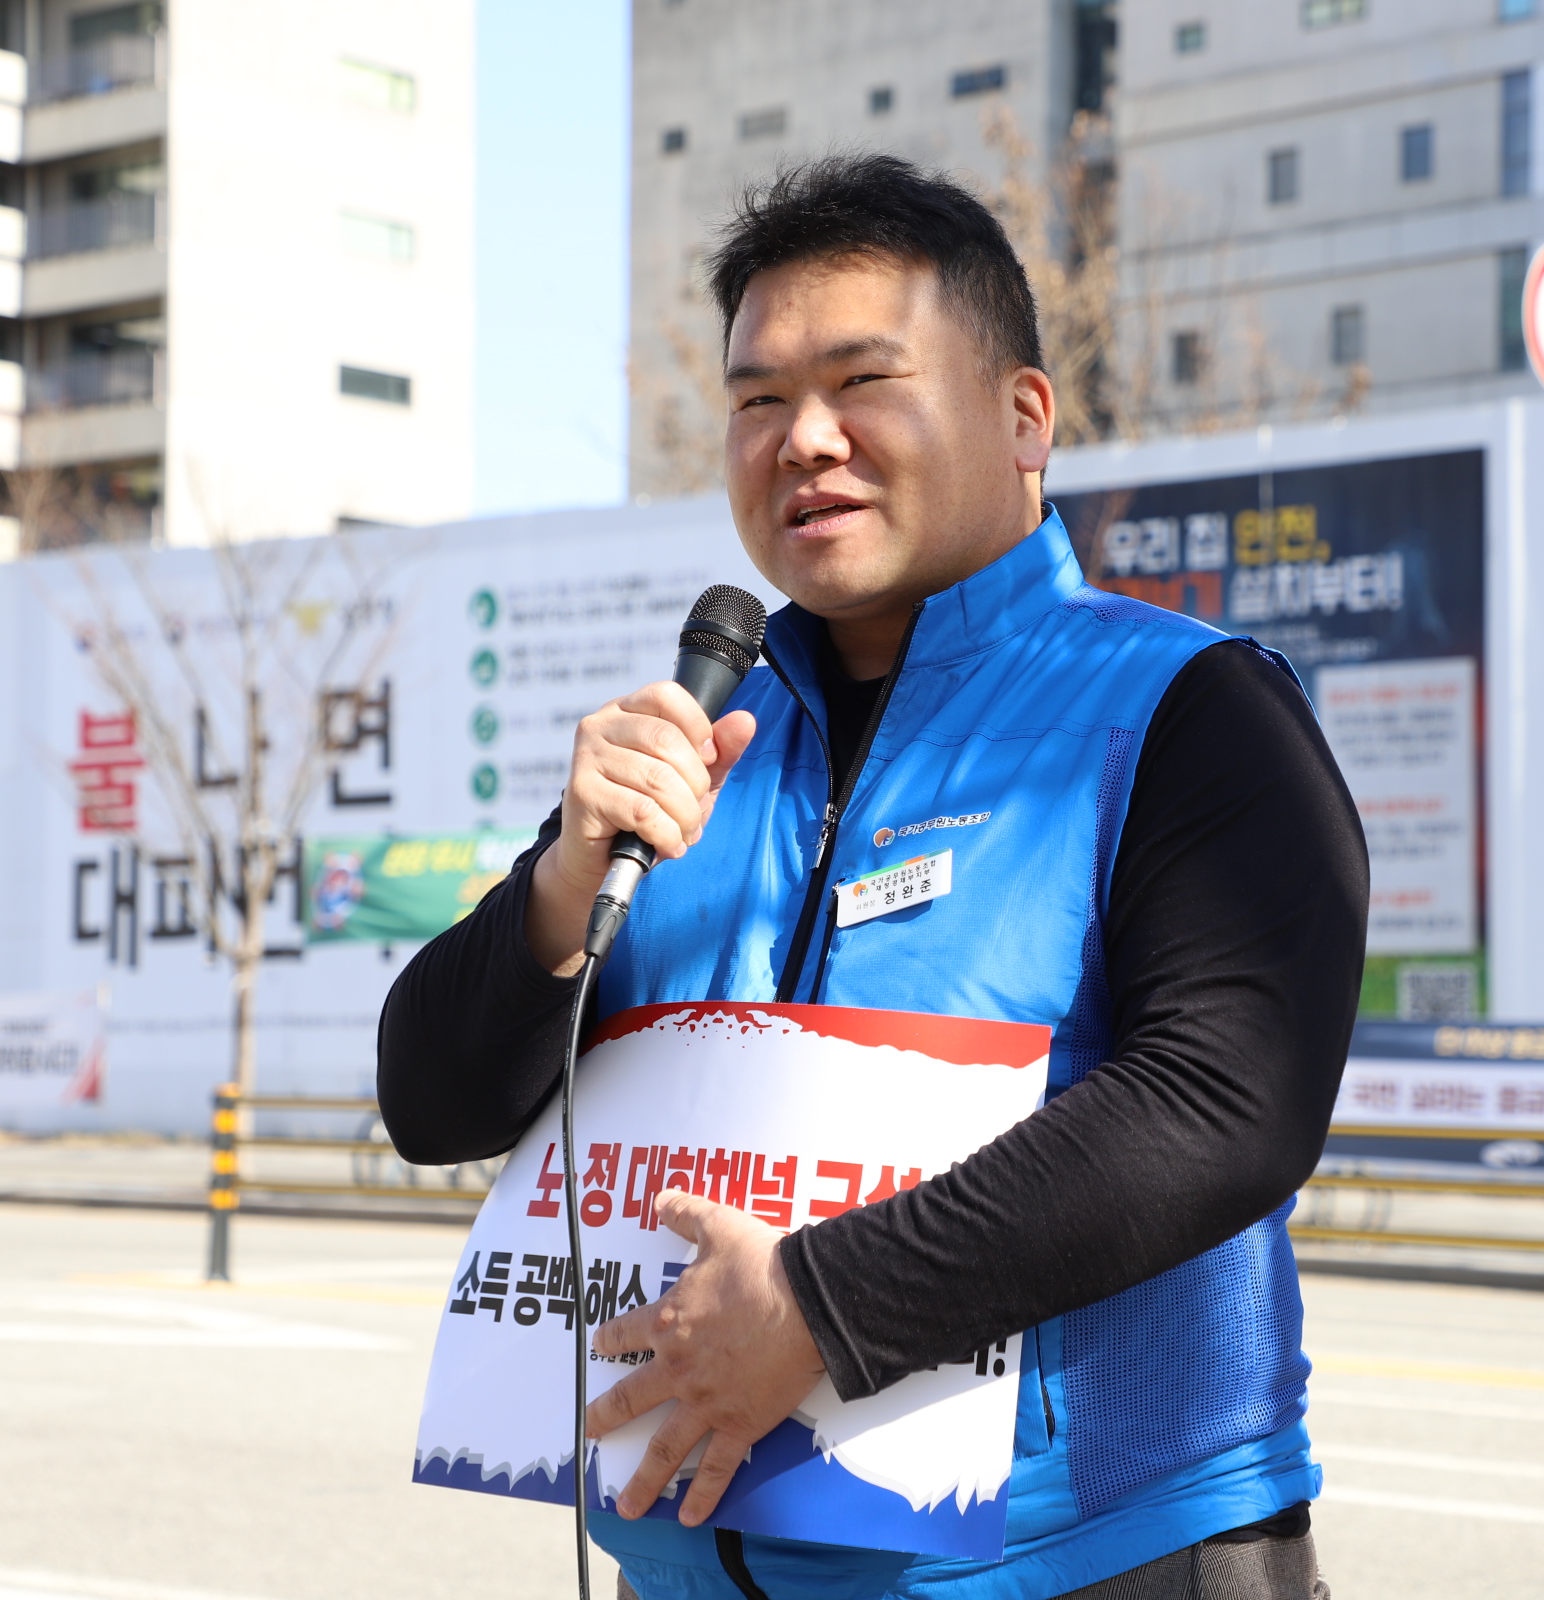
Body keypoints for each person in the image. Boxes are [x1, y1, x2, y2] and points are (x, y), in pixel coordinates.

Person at [377, 153, 1367, 1600]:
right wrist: (560, 887)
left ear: (1024, 417)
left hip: (1090, 1561)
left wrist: (819, 1309)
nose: (804, 439)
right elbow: (432, 1102)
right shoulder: (694, 748)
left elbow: (1225, 1103)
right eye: (758, 401)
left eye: (862, 382)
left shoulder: (1190, 708)